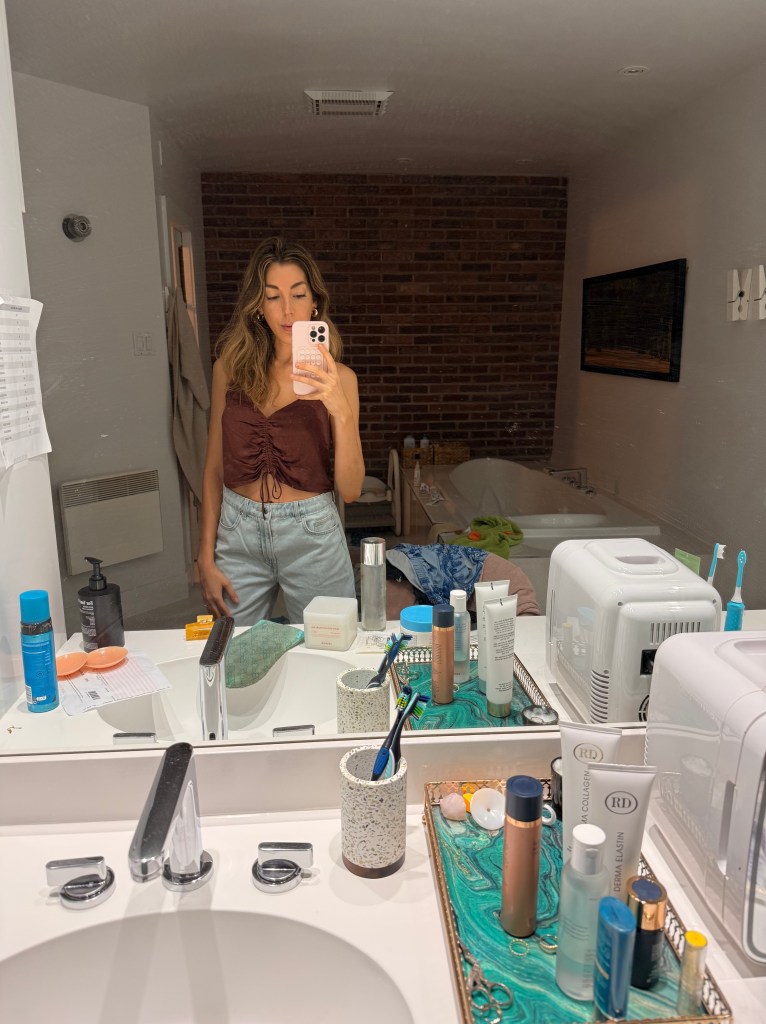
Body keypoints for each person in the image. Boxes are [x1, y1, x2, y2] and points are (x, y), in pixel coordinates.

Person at [198, 237, 364, 624]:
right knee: (231, 654)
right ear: (258, 305)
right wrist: (204, 556)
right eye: (273, 296)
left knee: (329, 651)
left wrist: (339, 410)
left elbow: (352, 490)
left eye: (298, 295)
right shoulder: (228, 370)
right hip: (237, 533)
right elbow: (214, 469)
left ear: (315, 302)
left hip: (312, 535)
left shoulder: (341, 379)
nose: (287, 310)